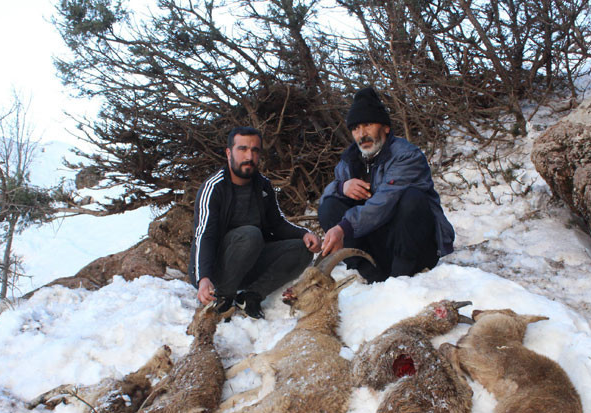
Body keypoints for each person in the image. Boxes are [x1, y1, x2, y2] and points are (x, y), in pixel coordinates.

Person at [318, 87, 455, 282]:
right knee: (329, 206)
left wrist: (343, 228)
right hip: (378, 247)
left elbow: (384, 202)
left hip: (415, 247)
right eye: (355, 128)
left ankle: (401, 277)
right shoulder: (348, 161)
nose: (362, 134)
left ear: (386, 128)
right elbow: (325, 198)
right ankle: (371, 273)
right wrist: (342, 187)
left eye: (368, 124)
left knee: (412, 198)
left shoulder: (406, 156)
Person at [189, 126, 321, 319]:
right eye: (242, 149)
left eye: (255, 150)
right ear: (229, 153)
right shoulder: (213, 188)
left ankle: (251, 296)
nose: (249, 156)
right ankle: (223, 298)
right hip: (215, 270)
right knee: (250, 235)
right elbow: (204, 236)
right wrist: (203, 278)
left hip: (249, 262)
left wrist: (304, 234)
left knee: (302, 249)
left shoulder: (263, 185)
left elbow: (277, 224)